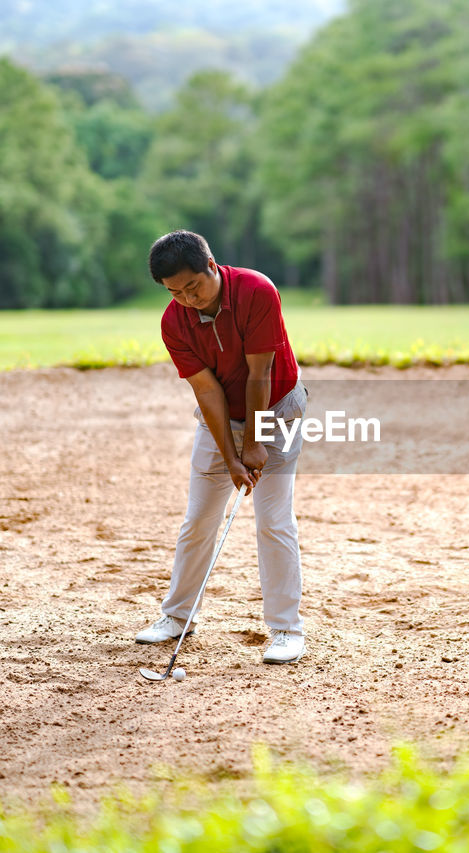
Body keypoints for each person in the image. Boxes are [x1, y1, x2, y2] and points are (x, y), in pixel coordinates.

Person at [134, 230, 308, 664]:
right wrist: (231, 457)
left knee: (273, 521)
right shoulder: (173, 322)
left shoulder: (256, 291)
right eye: (175, 292)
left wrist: (253, 443)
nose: (187, 299)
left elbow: (259, 376)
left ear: (212, 266)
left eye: (193, 286)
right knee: (198, 520)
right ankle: (177, 617)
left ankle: (287, 630)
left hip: (277, 409)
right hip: (219, 421)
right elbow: (207, 393)